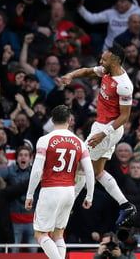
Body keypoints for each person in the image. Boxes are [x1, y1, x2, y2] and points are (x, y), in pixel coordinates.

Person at [62, 44, 137, 226]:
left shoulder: (124, 85)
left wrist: (104, 133)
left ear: (115, 61)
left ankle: (66, 206)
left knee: (81, 163)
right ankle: (126, 205)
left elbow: (125, 116)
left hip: (108, 129)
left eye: (104, 59)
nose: (100, 61)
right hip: (101, 126)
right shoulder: (106, 71)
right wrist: (71, 75)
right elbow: (88, 71)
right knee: (96, 171)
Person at [24, 105, 95, 259]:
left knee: (41, 234)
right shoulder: (79, 142)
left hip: (50, 189)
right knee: (58, 234)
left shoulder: (45, 140)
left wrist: (30, 194)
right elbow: (89, 171)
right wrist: (89, 195)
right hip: (69, 191)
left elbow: (36, 170)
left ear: (52, 120)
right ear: (69, 121)